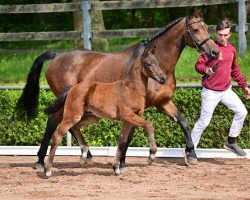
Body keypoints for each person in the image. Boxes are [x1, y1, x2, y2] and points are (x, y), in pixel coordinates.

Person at [191, 19, 250, 157]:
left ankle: (231, 141)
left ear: (230, 34)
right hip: (210, 92)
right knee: (204, 122)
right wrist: (206, 70)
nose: (222, 38)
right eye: (220, 34)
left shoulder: (231, 50)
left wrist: (244, 87)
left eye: (226, 35)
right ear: (216, 33)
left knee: (242, 112)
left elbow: (235, 70)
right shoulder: (210, 47)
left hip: (226, 90)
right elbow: (198, 65)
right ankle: (190, 149)